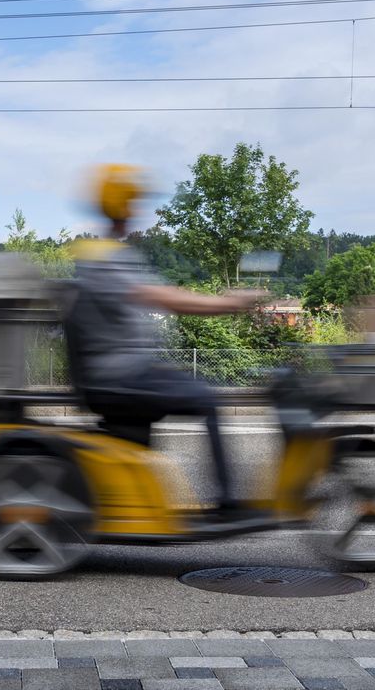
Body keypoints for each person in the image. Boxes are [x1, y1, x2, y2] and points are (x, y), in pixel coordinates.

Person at [64, 164, 267, 523]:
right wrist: (227, 303)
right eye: (134, 202)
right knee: (206, 398)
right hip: (118, 377)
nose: (137, 210)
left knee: (166, 405)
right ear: (124, 206)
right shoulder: (105, 259)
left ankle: (128, 505)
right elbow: (161, 296)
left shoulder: (103, 253)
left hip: (118, 373)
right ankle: (228, 503)